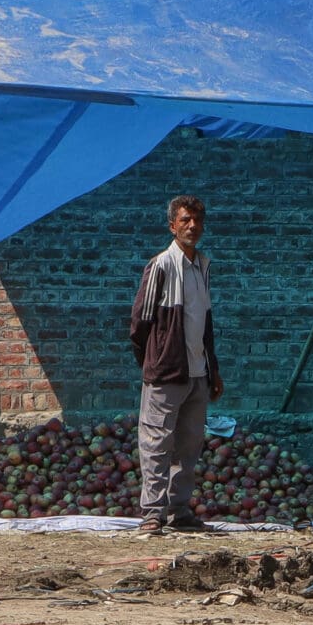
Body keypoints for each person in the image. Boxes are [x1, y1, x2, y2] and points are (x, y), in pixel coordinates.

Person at [129, 193, 222, 533]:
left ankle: (178, 510)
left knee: (188, 445)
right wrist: (153, 361)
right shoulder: (161, 266)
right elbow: (140, 323)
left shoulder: (203, 266)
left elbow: (205, 323)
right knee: (156, 443)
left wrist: (214, 369)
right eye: (185, 220)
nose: (192, 226)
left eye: (197, 220)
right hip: (167, 372)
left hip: (197, 371)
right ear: (172, 225)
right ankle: (152, 512)